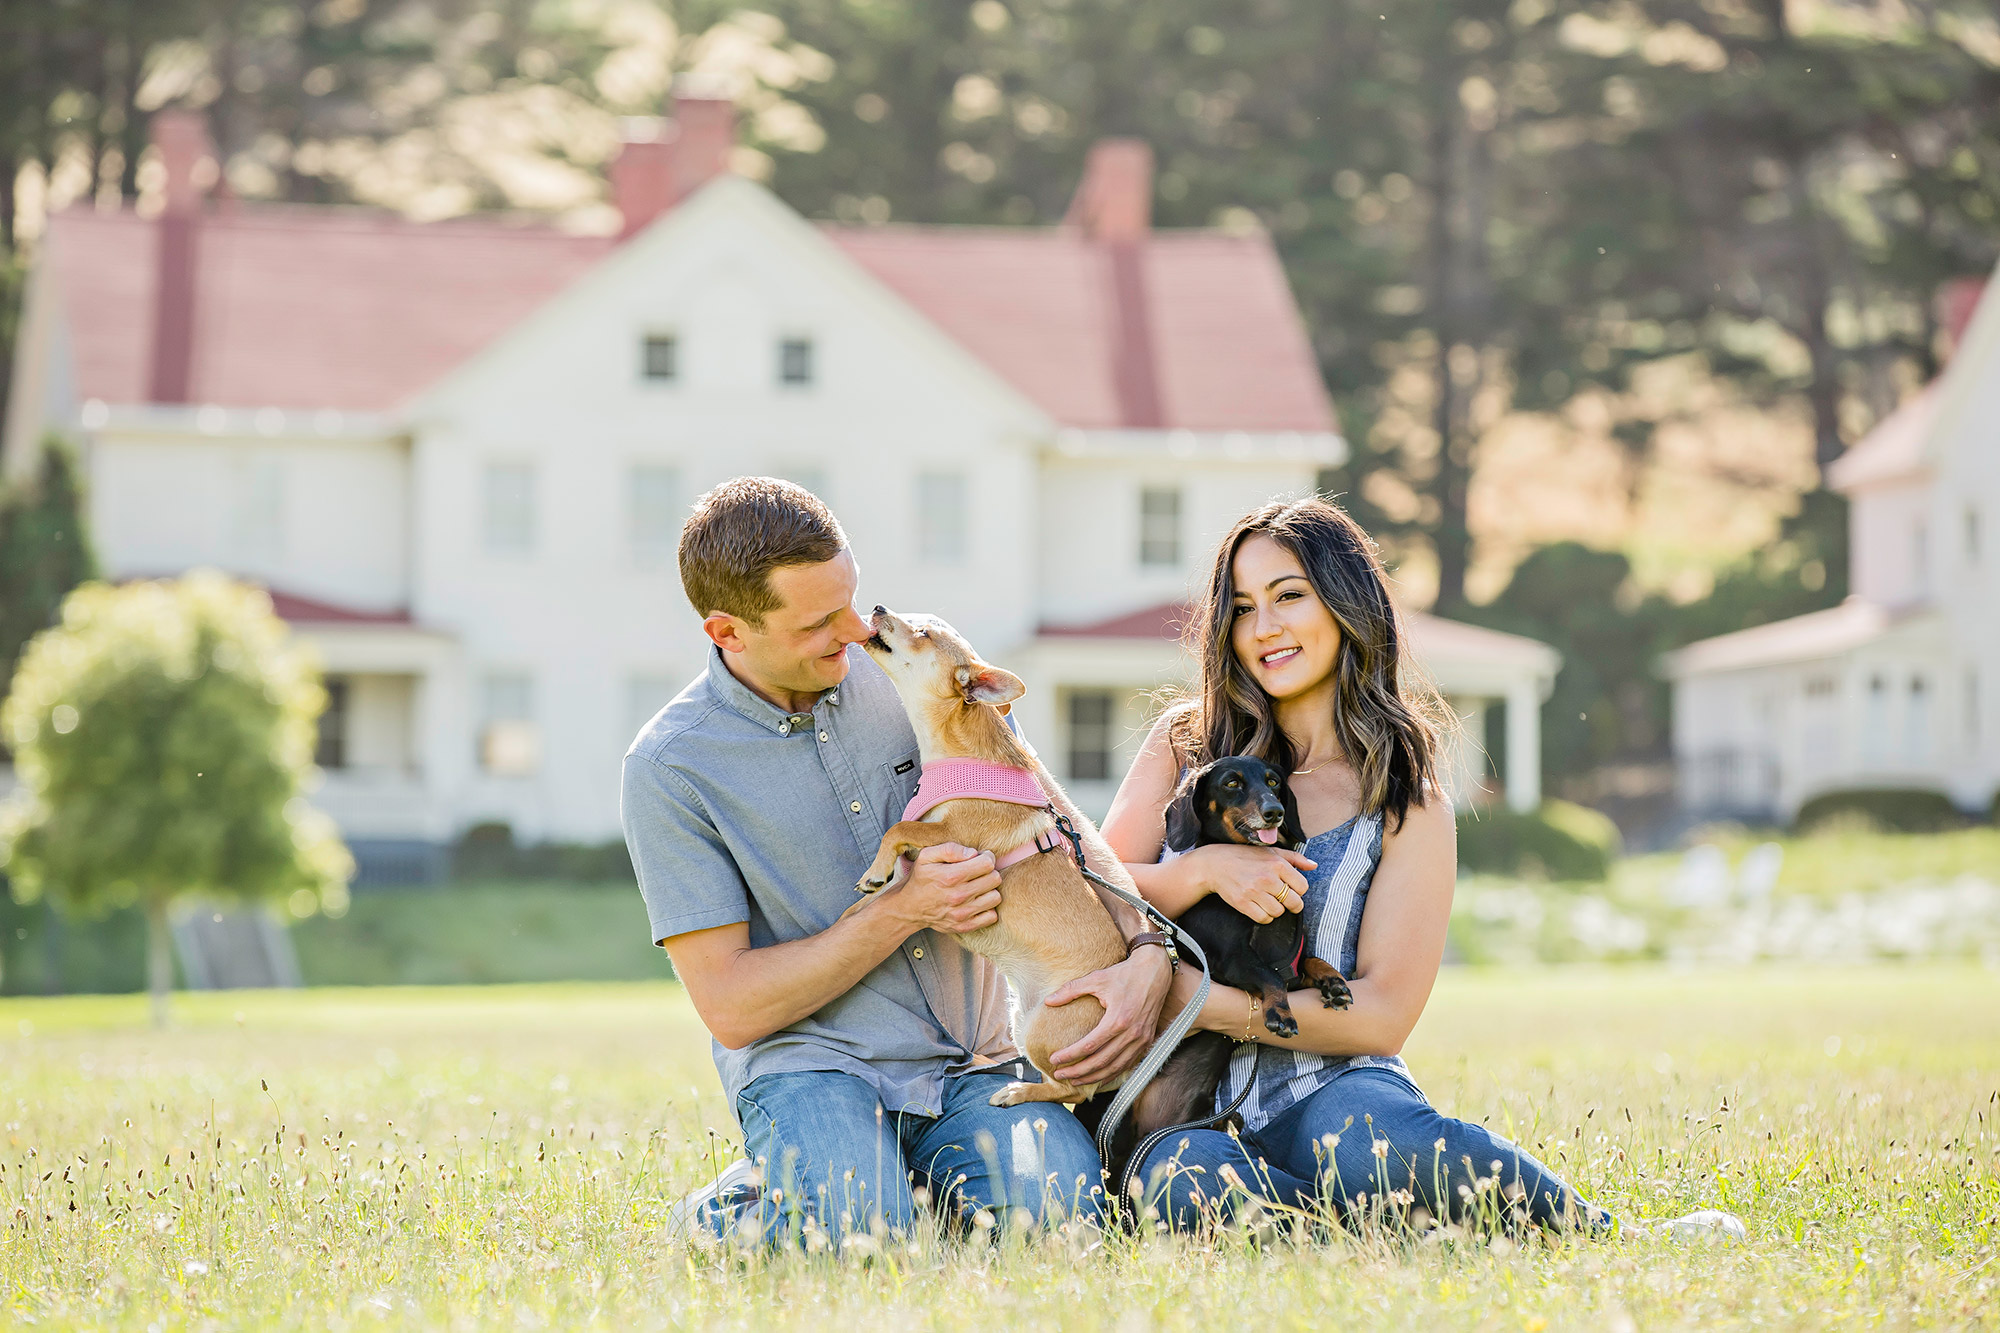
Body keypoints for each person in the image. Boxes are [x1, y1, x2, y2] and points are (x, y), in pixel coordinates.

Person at [1101, 496, 1743, 1241]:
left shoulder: (1405, 797)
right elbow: (1094, 878)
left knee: (1368, 1146)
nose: (1264, 628)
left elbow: (1381, 1012)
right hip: (1194, 1108)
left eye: (1288, 597)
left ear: (1346, 603)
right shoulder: (1188, 745)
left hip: (1335, 1092)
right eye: (1243, 608)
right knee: (1175, 1178)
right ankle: (1367, 1240)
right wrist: (1203, 869)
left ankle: (1604, 1233)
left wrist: (1203, 1000)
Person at [621, 477, 1174, 1247]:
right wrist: (903, 908)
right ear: (729, 631)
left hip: (975, 1062)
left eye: (851, 600)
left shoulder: (921, 672)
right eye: (819, 622)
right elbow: (734, 1008)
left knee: (1061, 1229)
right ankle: (746, 1206)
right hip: (817, 1064)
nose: (852, 631)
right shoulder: (672, 768)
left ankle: (890, 1186)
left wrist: (1148, 950)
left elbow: (1065, 829)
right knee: (855, 1243)